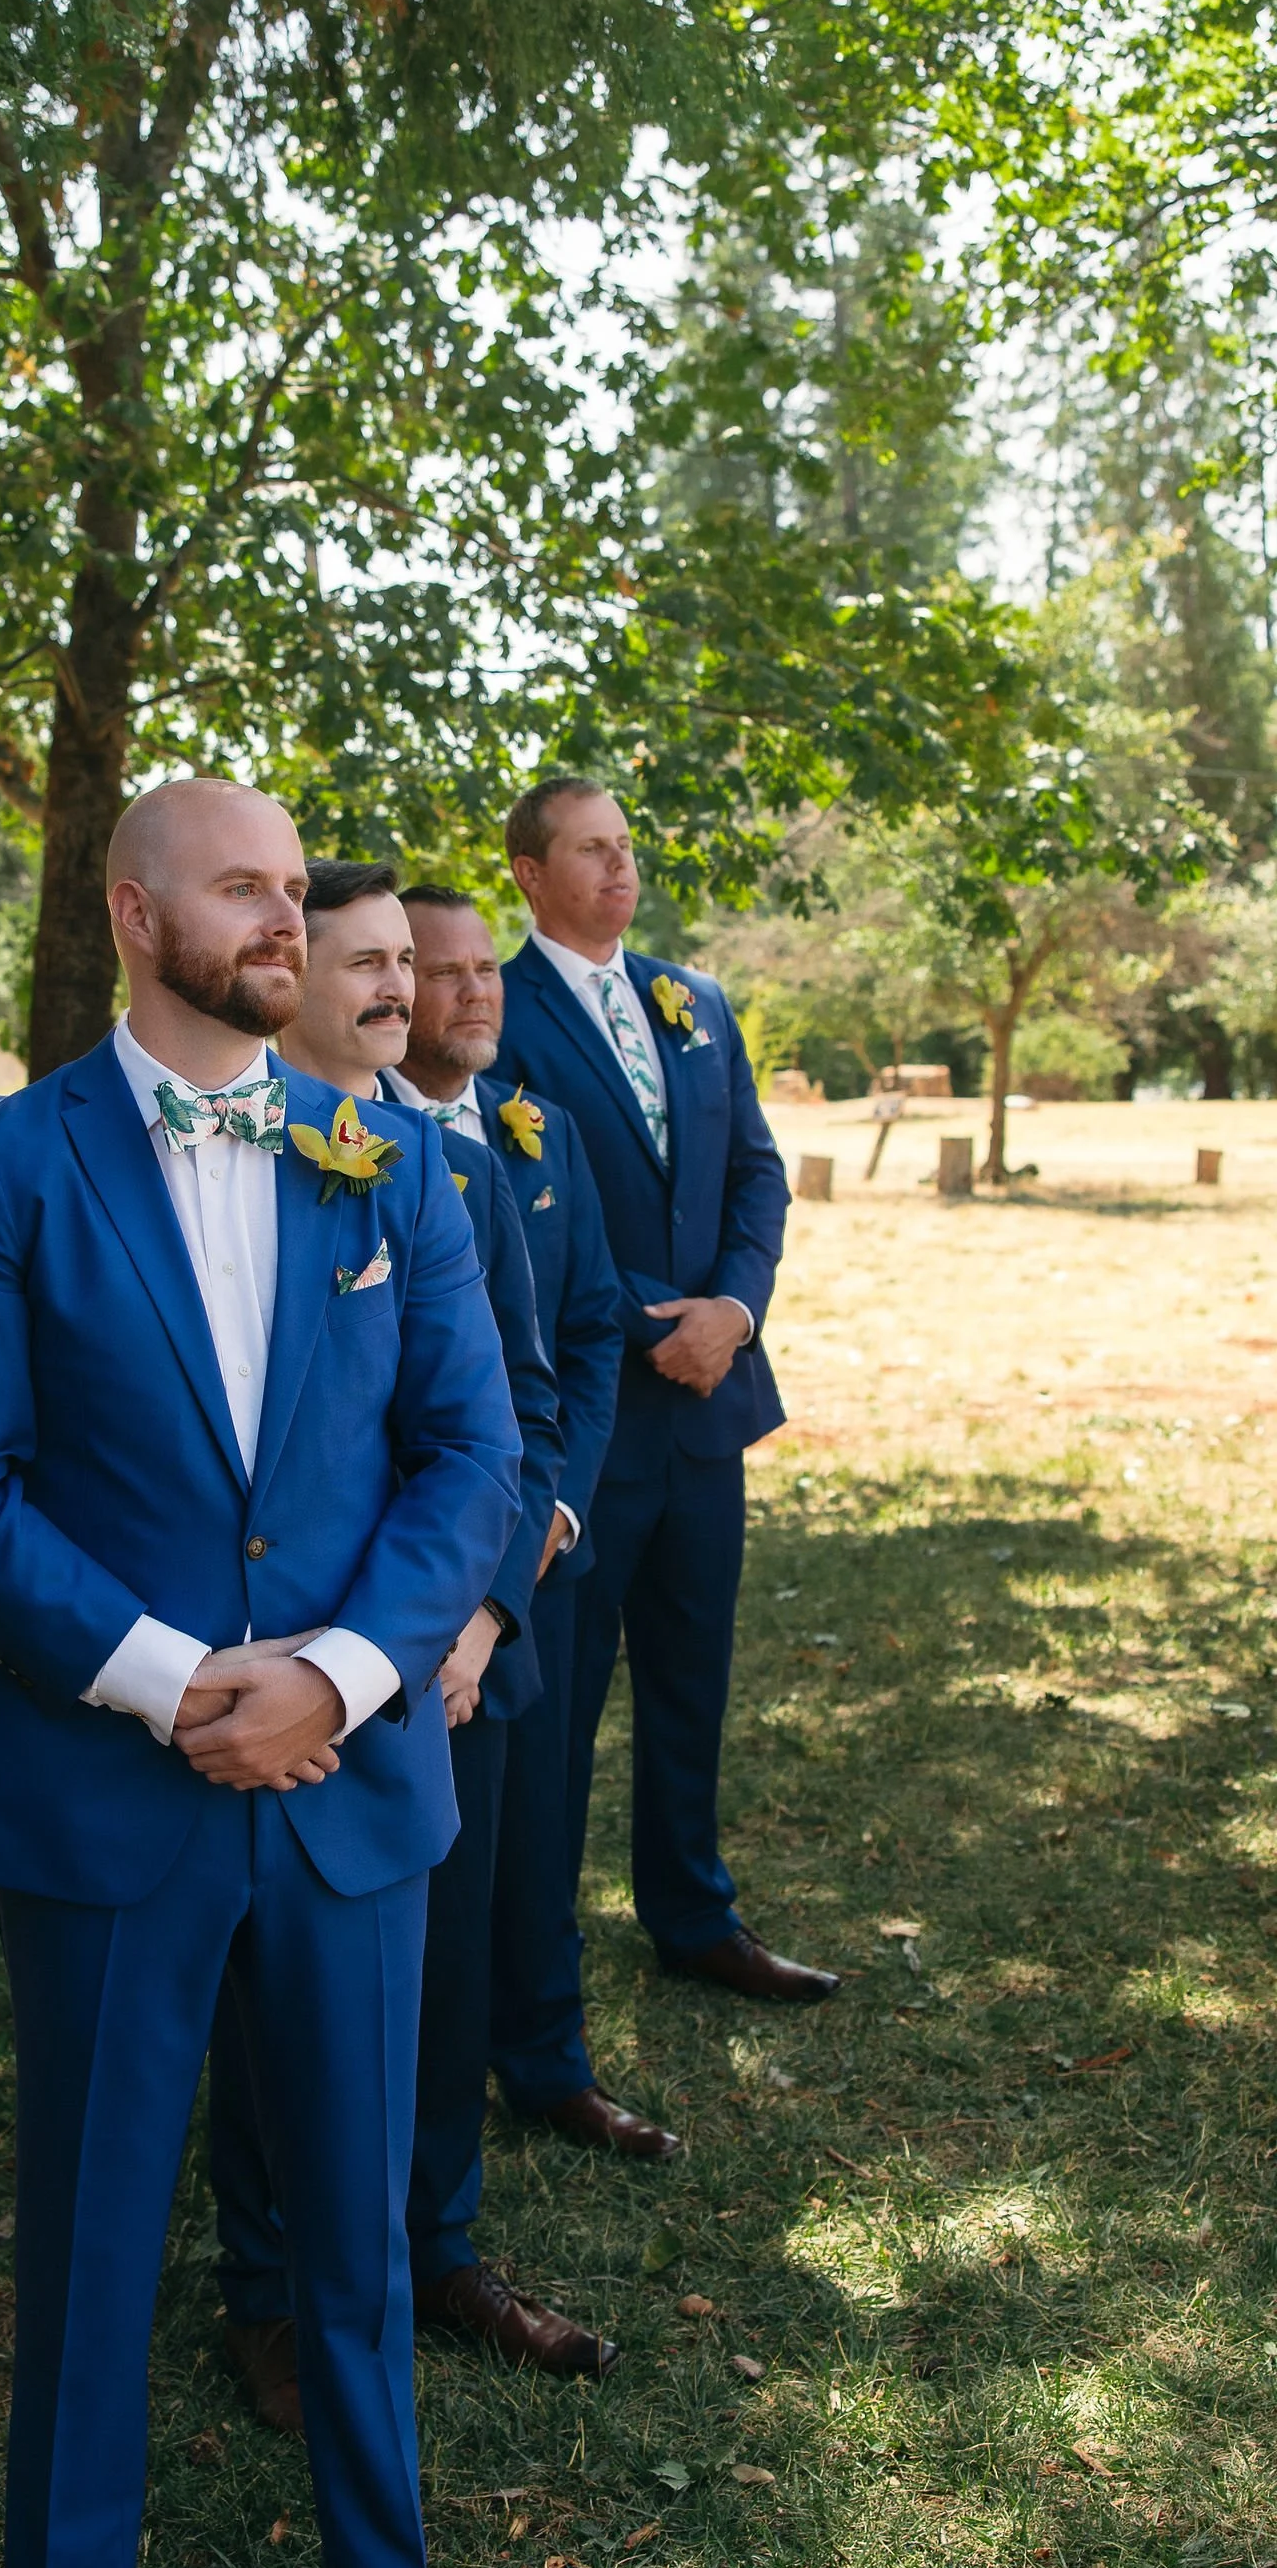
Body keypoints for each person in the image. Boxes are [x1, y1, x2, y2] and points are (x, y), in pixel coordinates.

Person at [0, 779, 522, 2568]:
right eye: (246, 886)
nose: (294, 916)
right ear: (134, 912)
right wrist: (176, 1685)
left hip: (348, 1784)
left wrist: (331, 1672)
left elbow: (469, 1453)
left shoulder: (382, 1161)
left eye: (293, 885)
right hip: (106, 1793)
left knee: (353, 2220)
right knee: (87, 2234)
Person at [210, 860, 621, 2413]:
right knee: (268, 1988)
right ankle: (268, 2284)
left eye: (409, 965)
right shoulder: (240, 1160)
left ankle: (439, 2245)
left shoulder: (444, 1162)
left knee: (447, 1969)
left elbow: (517, 1405)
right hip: (287, 1661)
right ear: (282, 973)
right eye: (367, 963)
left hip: (460, 1661)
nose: (398, 990)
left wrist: (484, 1611)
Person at [497, 776, 838, 2004]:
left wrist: (733, 1316)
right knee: (557, 1716)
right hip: (587, 1428)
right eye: (589, 852)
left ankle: (693, 1916)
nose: (618, 870)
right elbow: (522, 1211)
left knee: (690, 1684)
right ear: (529, 875)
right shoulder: (498, 1007)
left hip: (707, 1414)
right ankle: (531, 1963)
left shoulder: (693, 1002)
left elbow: (756, 1174)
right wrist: (662, 1322)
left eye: (626, 849)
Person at [389, 883, 679, 2160]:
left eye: (478, 971)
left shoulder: (542, 1130)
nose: (470, 992)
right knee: (434, 1864)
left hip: (535, 1558)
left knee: (542, 1822)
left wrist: (556, 1510)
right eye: (438, 973)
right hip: (404, 1582)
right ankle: (404, 2100)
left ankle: (547, 2058)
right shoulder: (347, 1138)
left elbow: (586, 1337)